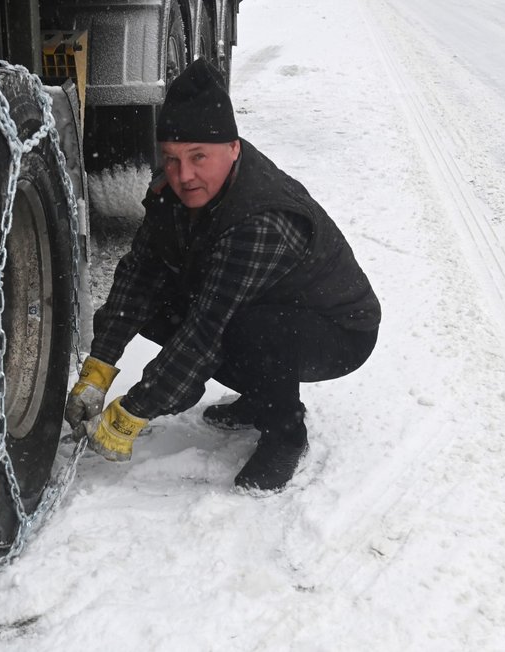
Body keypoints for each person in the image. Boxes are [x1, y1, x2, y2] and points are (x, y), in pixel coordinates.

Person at [64, 58, 380, 492]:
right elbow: (138, 275)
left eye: (198, 158)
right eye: (172, 159)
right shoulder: (172, 189)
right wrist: (99, 367)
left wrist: (134, 410)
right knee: (162, 304)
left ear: (233, 148)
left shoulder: (260, 219)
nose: (184, 175)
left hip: (337, 330)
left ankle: (285, 435)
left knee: (252, 328)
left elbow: (207, 328)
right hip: (267, 302)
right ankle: (257, 395)